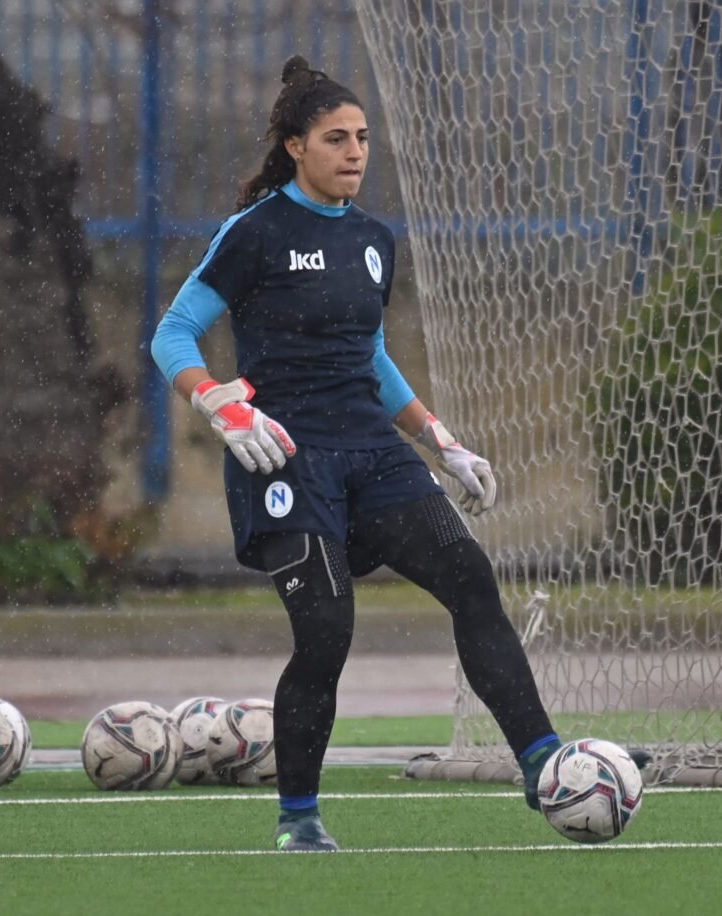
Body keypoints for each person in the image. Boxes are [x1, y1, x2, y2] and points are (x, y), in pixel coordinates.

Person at [151, 55, 563, 852]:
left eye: (364, 137)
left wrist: (438, 440)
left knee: (471, 579)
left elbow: (369, 357)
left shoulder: (374, 240)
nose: (355, 152)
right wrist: (219, 402)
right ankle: (299, 816)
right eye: (336, 138)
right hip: (290, 458)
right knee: (326, 629)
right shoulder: (256, 232)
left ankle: (544, 763)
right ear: (296, 147)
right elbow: (172, 333)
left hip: (374, 454)